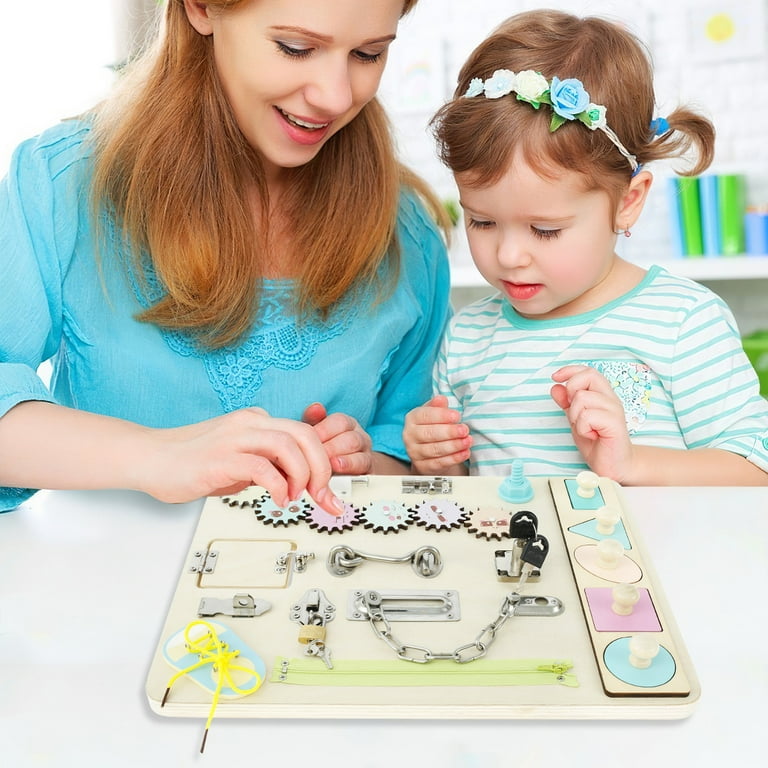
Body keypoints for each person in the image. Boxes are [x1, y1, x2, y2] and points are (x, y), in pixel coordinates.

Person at [0, 0, 451, 514]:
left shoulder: (407, 235)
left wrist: (363, 464)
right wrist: (159, 456)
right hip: (105, 566)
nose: (335, 96)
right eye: (295, 48)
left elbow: (414, 457)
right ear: (200, 8)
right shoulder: (61, 185)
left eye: (368, 54)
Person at [403, 9, 768, 486]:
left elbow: (755, 469)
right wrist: (438, 462)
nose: (509, 256)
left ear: (628, 203)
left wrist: (633, 463)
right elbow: (464, 491)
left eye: (545, 230)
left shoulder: (682, 321)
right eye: (482, 221)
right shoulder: (467, 338)